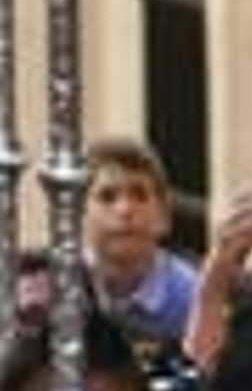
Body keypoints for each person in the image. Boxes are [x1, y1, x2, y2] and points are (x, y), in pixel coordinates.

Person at [82, 135, 201, 353]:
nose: (125, 210)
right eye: (107, 197)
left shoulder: (193, 298)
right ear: (79, 216)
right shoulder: (61, 290)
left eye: (139, 195)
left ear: (164, 217)